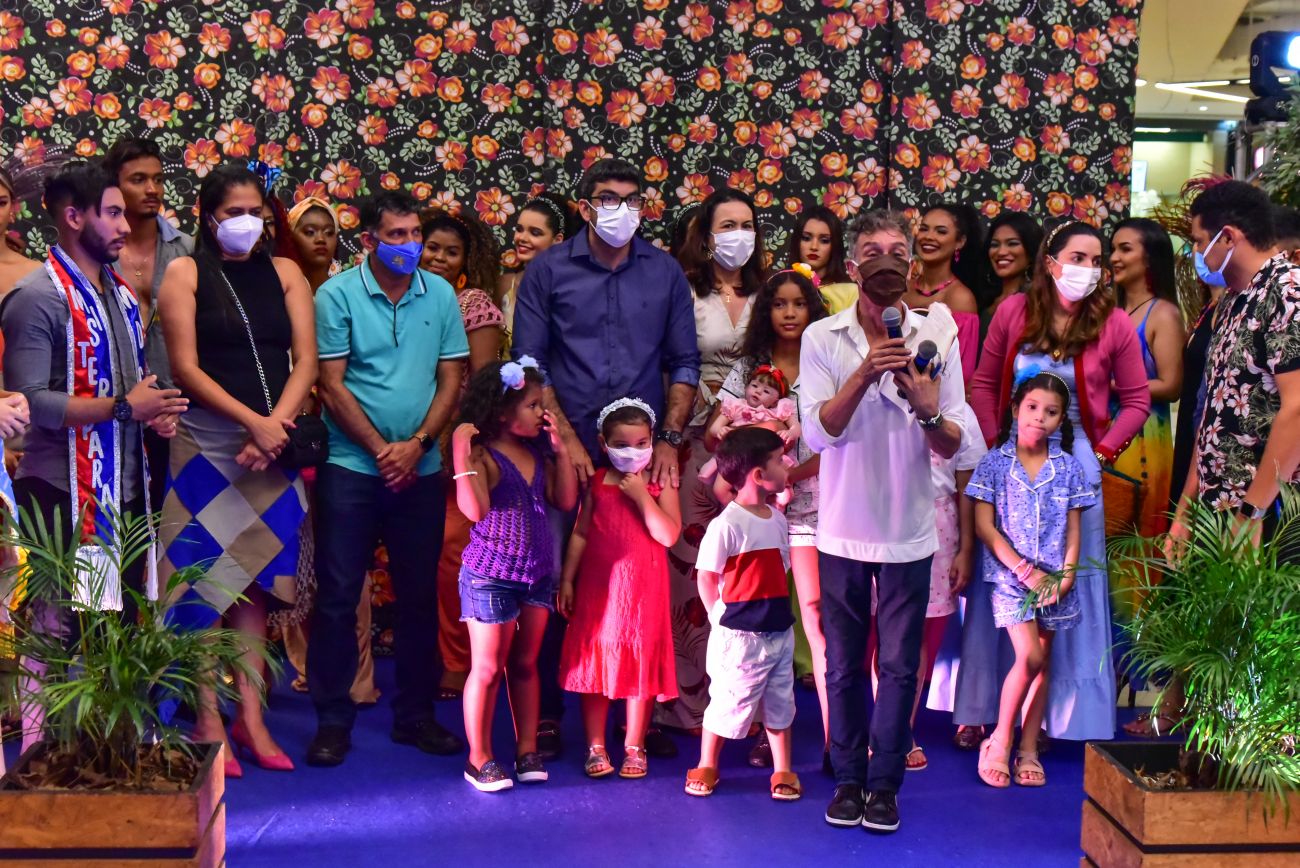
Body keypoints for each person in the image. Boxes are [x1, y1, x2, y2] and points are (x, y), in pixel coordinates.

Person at [512, 158, 699, 759]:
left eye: (633, 198)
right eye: (608, 198)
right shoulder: (548, 270)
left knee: (636, 582)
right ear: (585, 207)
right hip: (561, 449)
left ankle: (636, 715)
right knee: (557, 577)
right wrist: (566, 438)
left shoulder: (664, 272)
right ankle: (547, 713)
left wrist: (668, 439)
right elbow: (530, 362)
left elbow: (684, 362)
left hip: (639, 454)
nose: (622, 209)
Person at [2, 161, 187, 750]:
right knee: (57, 631)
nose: (125, 226)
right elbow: (31, 402)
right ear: (72, 217)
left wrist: (153, 409)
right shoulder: (36, 298)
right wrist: (126, 408)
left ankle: (106, 755)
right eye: (111, 213)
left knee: (112, 625)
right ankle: (43, 756)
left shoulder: (121, 295)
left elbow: (131, 389)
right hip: (62, 493)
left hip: (122, 490)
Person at [800, 210, 967, 833]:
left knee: (899, 667)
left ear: (912, 266)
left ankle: (885, 786)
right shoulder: (823, 337)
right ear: (852, 267)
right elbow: (819, 434)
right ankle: (847, 779)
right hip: (842, 528)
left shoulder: (937, 332)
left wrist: (927, 409)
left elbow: (955, 443)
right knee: (842, 665)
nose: (887, 262)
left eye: (898, 251)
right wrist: (866, 370)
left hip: (909, 531)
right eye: (873, 252)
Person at [156, 163, 316, 775]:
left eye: (256, 212)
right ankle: (206, 717)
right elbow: (186, 368)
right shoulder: (185, 272)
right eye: (233, 213)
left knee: (252, 583)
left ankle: (251, 716)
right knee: (202, 581)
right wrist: (255, 424)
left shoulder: (287, 273)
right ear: (208, 217)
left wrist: (274, 428)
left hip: (272, 445)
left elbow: (305, 360)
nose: (247, 223)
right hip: (205, 442)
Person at [966, 221, 1149, 746]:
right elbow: (984, 383)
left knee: (1069, 579)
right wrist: (995, 444)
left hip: (1076, 463)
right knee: (1006, 575)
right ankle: (984, 709)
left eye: (1097, 261)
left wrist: (1102, 453)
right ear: (1050, 262)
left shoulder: (1113, 322)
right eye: (1078, 258)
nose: (1089, 269)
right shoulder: (1013, 311)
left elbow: (1136, 400)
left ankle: (1055, 717)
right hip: (1011, 457)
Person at [306, 189, 469, 767]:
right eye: (396, 235)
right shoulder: (336, 294)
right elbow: (331, 384)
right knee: (337, 595)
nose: (410, 245)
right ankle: (332, 719)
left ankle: (415, 716)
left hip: (421, 470)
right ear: (369, 240)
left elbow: (452, 378)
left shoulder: (440, 294)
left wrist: (417, 445)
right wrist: (382, 451)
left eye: (415, 233)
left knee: (419, 595)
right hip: (351, 468)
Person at [712, 266, 831, 768]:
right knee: (761, 620)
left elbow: (836, 442)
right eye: (779, 303)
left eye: (799, 304)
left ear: (813, 311)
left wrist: (791, 474)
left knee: (818, 616)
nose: (789, 312)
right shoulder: (748, 368)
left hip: (821, 506)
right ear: (766, 311)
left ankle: (836, 737)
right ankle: (766, 730)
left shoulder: (827, 361)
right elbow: (717, 433)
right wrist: (743, 448)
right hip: (759, 514)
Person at [665, 188, 767, 737]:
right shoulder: (683, 290)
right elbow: (668, 361)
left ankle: (747, 706)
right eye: (728, 225)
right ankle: (686, 703)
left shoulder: (770, 294)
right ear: (706, 235)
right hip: (694, 443)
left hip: (753, 449)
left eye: (747, 224)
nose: (739, 235)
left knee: (746, 573)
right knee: (692, 571)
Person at [451, 359, 578, 791]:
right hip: (490, 576)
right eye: (532, 405)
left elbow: (565, 500)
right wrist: (461, 454)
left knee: (525, 664)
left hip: (536, 575)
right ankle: (479, 757)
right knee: (488, 668)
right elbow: (474, 510)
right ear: (502, 412)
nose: (542, 413)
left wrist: (562, 450)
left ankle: (527, 748)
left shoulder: (537, 453)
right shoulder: (485, 456)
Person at [271, 196, 379, 705]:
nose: (320, 239)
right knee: (296, 557)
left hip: (346, 443)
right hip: (289, 440)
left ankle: (358, 678)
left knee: (346, 564)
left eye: (328, 231)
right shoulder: (272, 292)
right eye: (308, 230)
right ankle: (305, 665)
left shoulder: (352, 293)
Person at [967, 370, 1095, 788]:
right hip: (1010, 578)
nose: (1040, 417)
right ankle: (999, 740)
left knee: (1043, 661)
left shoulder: (1070, 469)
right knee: (1030, 657)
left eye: (1051, 412)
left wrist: (1065, 579)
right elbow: (985, 527)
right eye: (1033, 407)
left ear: (1061, 419)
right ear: (1015, 409)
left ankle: (1027, 748)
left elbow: (1074, 531)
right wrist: (1024, 571)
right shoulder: (993, 463)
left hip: (1055, 581)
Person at [1171, 180, 1300, 550]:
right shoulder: (1232, 299)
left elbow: (1297, 408)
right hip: (1219, 509)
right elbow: (1215, 410)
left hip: (1270, 513)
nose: (1197, 252)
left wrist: (1252, 513)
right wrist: (1185, 510)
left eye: (1199, 241)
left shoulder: (1288, 291)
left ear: (1227, 237)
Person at [557, 398, 680, 779]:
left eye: (642, 444)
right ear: (603, 443)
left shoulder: (659, 481)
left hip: (643, 593)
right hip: (599, 590)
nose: (633, 452)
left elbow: (669, 534)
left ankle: (634, 745)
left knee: (640, 663)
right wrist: (568, 579)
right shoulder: (596, 482)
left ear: (652, 440)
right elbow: (580, 533)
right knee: (595, 663)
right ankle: (595, 745)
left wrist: (642, 496)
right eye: (622, 445)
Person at [685, 427, 800, 802]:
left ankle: (783, 768)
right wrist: (719, 618)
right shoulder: (726, 525)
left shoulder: (778, 520)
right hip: (739, 636)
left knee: (780, 701)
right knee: (727, 699)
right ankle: (707, 763)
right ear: (759, 475)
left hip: (779, 630)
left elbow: (781, 566)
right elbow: (707, 576)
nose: (787, 466)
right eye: (780, 460)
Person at [871, 400, 986, 771]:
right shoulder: (878, 399)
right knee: (885, 633)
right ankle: (882, 729)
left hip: (937, 520)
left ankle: (900, 729)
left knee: (914, 634)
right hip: (879, 517)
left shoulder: (959, 410)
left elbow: (967, 484)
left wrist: (966, 549)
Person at [421, 206, 504, 699]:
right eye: (432, 247)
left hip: (455, 445)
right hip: (409, 443)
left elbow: (484, 386)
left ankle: (462, 660)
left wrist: (460, 444)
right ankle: (436, 654)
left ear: (465, 261)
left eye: (451, 252)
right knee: (422, 554)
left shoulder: (472, 304)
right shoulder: (407, 298)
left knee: (454, 554)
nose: (439, 257)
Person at [1107, 219, 1184, 621]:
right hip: (1106, 438)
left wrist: (1111, 384)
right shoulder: (1110, 311)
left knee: (1135, 554)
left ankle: (1135, 650)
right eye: (1113, 249)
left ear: (1149, 257)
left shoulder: (1163, 313)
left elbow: (1171, 385)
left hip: (1144, 445)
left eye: (1125, 249)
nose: (1114, 257)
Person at [905, 204, 982, 383]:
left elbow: (961, 372)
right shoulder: (903, 288)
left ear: (960, 242)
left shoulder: (961, 298)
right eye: (924, 229)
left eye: (941, 231)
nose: (928, 236)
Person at [497, 194, 571, 344]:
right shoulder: (504, 284)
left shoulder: (569, 289)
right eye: (519, 229)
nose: (522, 238)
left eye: (535, 233)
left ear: (557, 240)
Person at [981, 212, 1043, 334]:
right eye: (994, 245)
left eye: (1012, 243)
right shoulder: (985, 298)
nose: (1001, 252)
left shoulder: (1037, 302)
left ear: (1031, 251)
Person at [788, 206, 857, 313]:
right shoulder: (780, 287)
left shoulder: (851, 292)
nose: (814, 247)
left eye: (824, 240)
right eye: (806, 238)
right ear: (796, 242)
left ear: (835, 246)